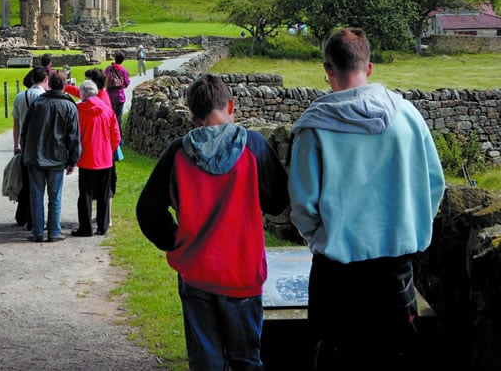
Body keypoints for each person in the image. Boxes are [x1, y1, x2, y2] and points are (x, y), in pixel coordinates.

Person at [288, 27, 445, 370]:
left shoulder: (314, 128)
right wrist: (409, 228)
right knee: (395, 360)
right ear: (369, 67)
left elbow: (301, 205)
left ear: (328, 69)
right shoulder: (409, 117)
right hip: (396, 270)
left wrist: (323, 238)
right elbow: (434, 186)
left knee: (336, 359)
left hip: (337, 276)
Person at [136, 73, 289, 371]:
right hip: (242, 273)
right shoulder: (254, 146)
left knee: (206, 361)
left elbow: (147, 211)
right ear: (230, 105)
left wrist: (176, 240)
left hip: (197, 272)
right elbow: (278, 200)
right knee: (246, 359)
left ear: (195, 118)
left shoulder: (178, 153)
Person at [19, 70, 81, 242]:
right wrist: (73, 160)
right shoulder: (69, 106)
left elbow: (25, 131)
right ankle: (53, 231)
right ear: (64, 85)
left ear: (50, 83)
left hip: (36, 156)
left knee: (37, 195)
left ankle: (38, 231)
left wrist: (25, 153)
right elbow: (74, 136)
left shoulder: (37, 103)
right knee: (55, 196)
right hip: (57, 157)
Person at [71, 79, 119, 237]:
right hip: (104, 158)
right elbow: (115, 135)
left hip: (86, 158)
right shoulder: (107, 110)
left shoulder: (78, 110)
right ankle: (102, 226)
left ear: (83, 94)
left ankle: (85, 228)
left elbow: (74, 135)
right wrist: (108, 150)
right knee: (104, 194)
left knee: (85, 194)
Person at [11, 67, 48, 229]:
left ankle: (22, 215)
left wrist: (16, 144)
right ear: (45, 79)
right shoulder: (45, 97)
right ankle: (35, 220)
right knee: (40, 183)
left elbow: (16, 123)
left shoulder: (20, 96)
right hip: (42, 144)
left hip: (26, 144)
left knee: (26, 181)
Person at [104, 50, 131, 130]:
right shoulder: (123, 70)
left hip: (109, 96)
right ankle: (118, 137)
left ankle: (109, 134)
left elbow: (104, 79)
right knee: (118, 118)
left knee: (110, 116)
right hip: (119, 97)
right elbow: (126, 83)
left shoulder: (108, 68)